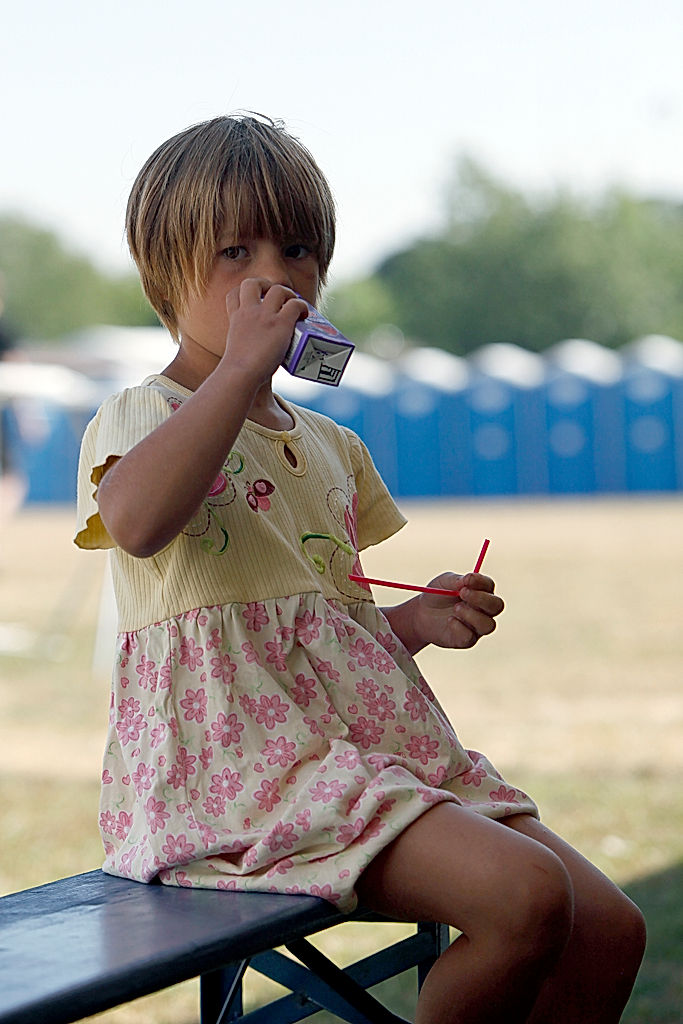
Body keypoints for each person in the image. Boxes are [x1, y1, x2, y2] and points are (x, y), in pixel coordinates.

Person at [75, 114, 645, 1024]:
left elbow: (324, 635)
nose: (273, 274)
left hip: (368, 757)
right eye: (233, 251)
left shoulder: (331, 446)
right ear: (162, 271)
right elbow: (137, 523)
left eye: (297, 249)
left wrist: (419, 622)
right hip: (232, 778)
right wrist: (236, 377)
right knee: (524, 899)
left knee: (609, 929)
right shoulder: (144, 416)